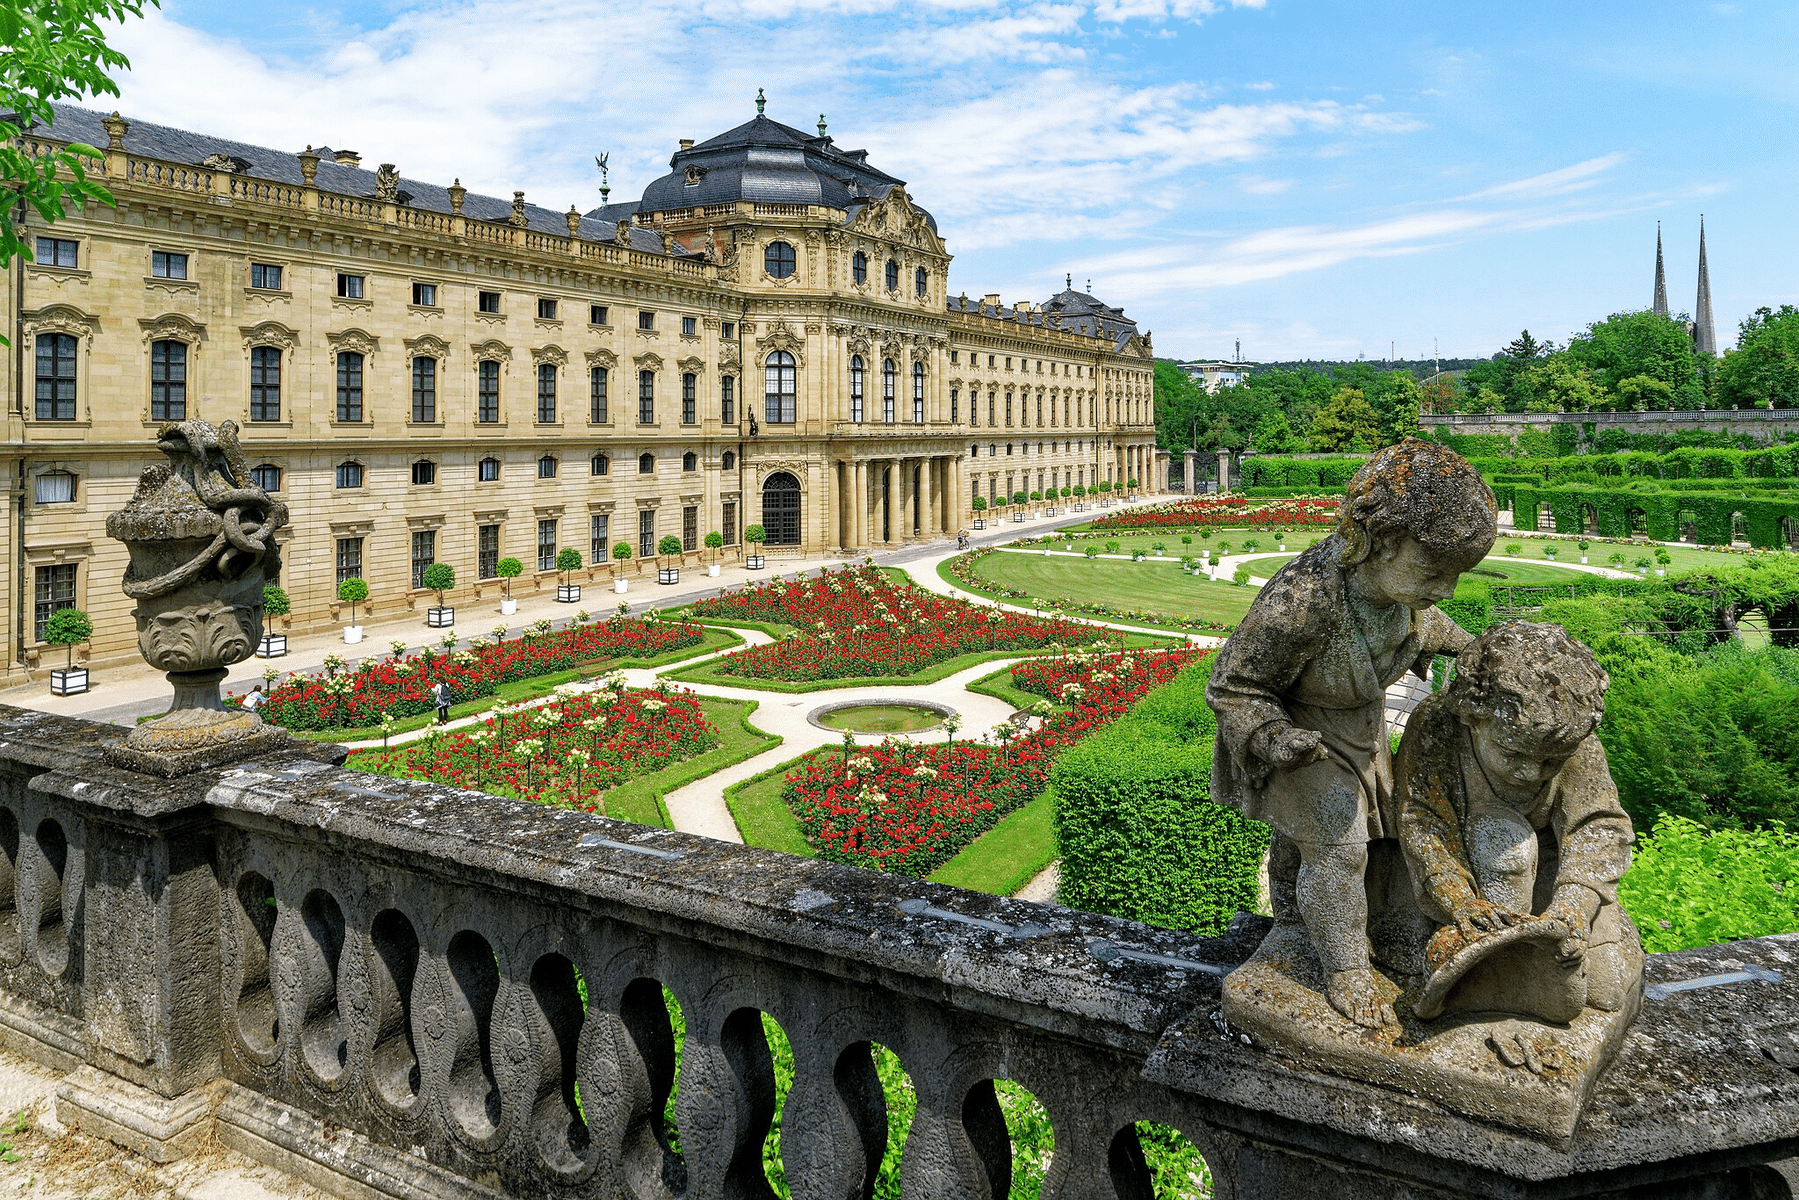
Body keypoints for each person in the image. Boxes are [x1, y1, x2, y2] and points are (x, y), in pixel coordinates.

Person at [1206, 438, 1497, 1029]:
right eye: (1435, 570)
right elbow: (1231, 685)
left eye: (1457, 574)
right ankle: (1343, 968)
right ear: (1379, 541)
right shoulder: (1303, 600)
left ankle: (1315, 922)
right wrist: (1269, 735)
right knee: (1337, 841)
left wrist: (1475, 652)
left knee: (1380, 836)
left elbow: (1430, 623)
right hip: (1296, 735)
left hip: (1360, 733)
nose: (1445, 587)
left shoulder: (1401, 596)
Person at [1394, 621, 1642, 1066]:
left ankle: (1527, 969)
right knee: (1505, 842)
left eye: (1550, 761)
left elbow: (1600, 827)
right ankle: (1497, 984)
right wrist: (1461, 903)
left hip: (1551, 880)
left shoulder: (1573, 743)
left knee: (1603, 990)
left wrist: (1574, 907)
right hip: (1473, 880)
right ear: (1474, 715)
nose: (1532, 773)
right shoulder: (1438, 726)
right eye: (1513, 755)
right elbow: (1424, 823)